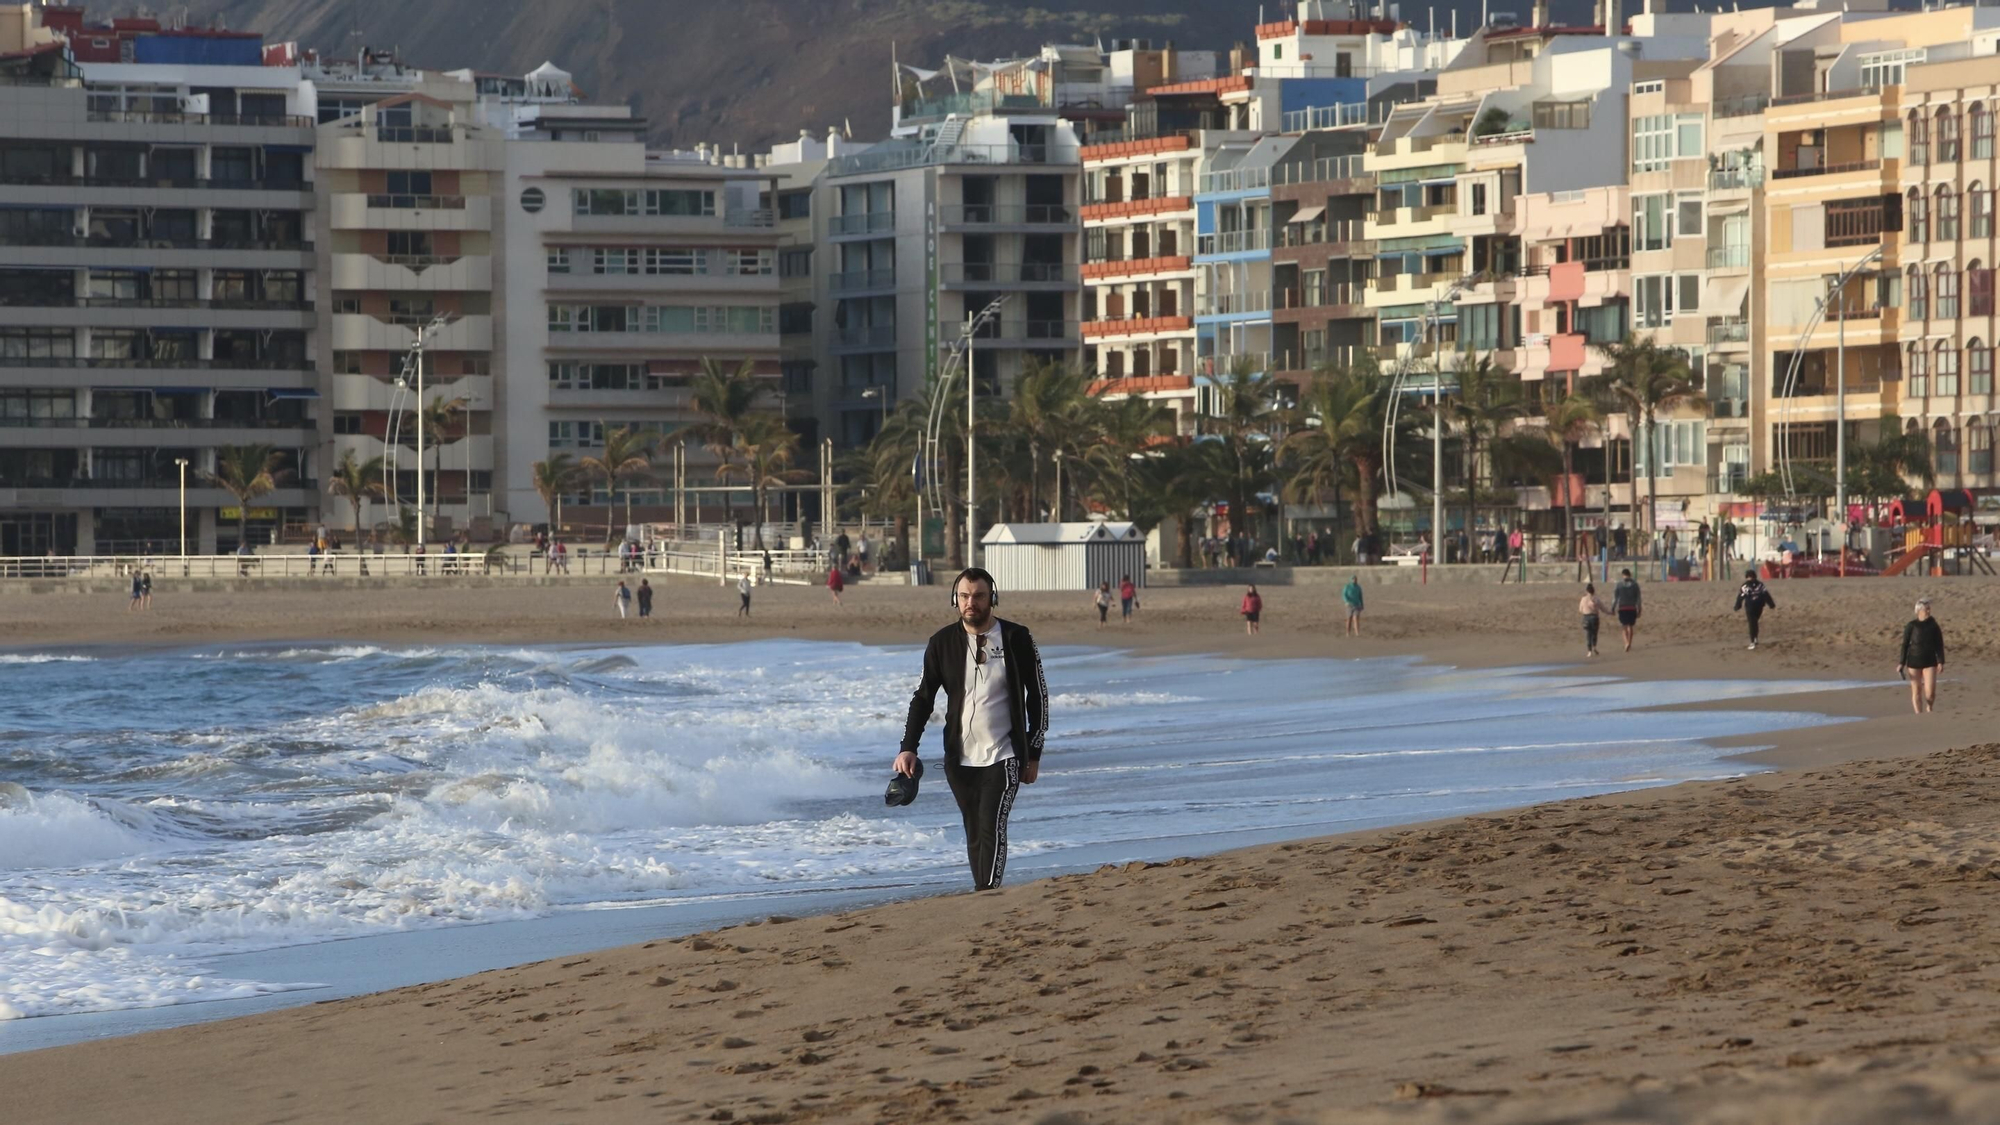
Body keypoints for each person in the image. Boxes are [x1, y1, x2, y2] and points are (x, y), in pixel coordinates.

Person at [895, 568, 1048, 892]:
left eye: (978, 596)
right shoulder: (941, 643)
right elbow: (924, 698)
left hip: (1005, 753)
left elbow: (1038, 696)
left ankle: (986, 893)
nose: (971, 603)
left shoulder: (1017, 637)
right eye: (964, 596)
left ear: (992, 598)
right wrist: (908, 748)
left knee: (992, 823)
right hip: (959, 757)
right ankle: (984, 889)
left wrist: (1033, 753)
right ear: (955, 599)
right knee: (974, 828)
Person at [1898, 598, 1944, 714]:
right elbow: (1905, 645)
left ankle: (1929, 706)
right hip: (1914, 661)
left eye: (1929, 609)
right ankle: (1918, 715)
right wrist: (1901, 663)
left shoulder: (1933, 625)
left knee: (1930, 693)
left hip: (1930, 661)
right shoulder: (1911, 626)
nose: (1928, 611)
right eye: (1926, 609)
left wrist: (1940, 661)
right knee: (1916, 690)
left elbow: (1939, 643)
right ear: (1919, 610)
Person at [1733, 568, 1776, 650]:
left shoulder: (1746, 585)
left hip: (1751, 607)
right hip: (1758, 606)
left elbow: (1741, 597)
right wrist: (1771, 604)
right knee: (1754, 622)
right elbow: (1766, 595)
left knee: (1752, 623)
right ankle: (1755, 638)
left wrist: (1737, 606)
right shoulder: (1760, 585)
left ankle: (1753, 641)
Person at [1578, 582, 1611, 658]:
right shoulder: (1596, 599)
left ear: (1587, 591)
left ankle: (1589, 651)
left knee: (1588, 634)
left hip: (1586, 617)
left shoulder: (1583, 599)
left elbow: (1580, 610)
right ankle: (1594, 647)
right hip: (1594, 618)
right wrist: (1610, 612)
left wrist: (1585, 611)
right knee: (1594, 634)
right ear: (1593, 591)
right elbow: (1603, 608)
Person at [1613, 568, 1642, 652]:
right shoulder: (1635, 584)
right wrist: (1639, 608)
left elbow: (1615, 598)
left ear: (1623, 575)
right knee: (1630, 626)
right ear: (1630, 575)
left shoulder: (1619, 584)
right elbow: (1638, 598)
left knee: (1624, 626)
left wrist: (1613, 607)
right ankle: (1629, 642)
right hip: (1632, 607)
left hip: (1622, 607)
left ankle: (1626, 642)